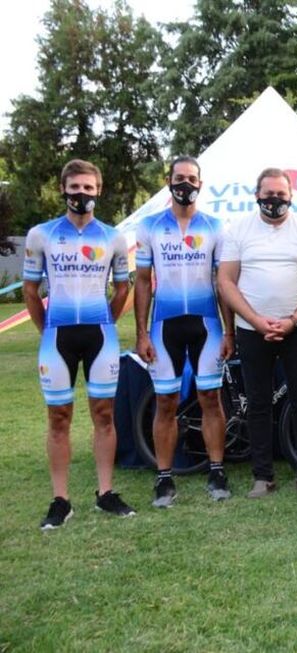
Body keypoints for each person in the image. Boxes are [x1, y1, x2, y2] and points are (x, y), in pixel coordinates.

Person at [24, 159, 136, 529]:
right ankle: (61, 500)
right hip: (57, 336)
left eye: (88, 188)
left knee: (104, 414)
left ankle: (106, 494)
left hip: (99, 335)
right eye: (75, 188)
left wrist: (107, 320)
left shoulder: (113, 237)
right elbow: (30, 289)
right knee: (59, 418)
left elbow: (123, 287)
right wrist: (46, 329)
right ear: (63, 190)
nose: (81, 194)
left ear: (98, 191)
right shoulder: (41, 234)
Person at [134, 156, 235, 507]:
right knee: (166, 401)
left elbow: (223, 284)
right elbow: (143, 282)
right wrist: (142, 332)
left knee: (210, 398)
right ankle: (164, 478)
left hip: (207, 324)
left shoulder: (215, 226)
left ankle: (217, 469)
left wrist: (229, 332)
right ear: (168, 181)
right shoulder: (149, 226)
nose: (185, 184)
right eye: (179, 178)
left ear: (200, 184)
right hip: (165, 326)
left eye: (192, 178)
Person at [218, 168, 297, 498]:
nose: (274, 200)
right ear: (256, 195)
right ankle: (262, 476)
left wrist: (292, 320)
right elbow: (225, 281)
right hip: (252, 330)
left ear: (291, 196)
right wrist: (254, 319)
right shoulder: (237, 231)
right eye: (268, 194)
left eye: (281, 194)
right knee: (259, 404)